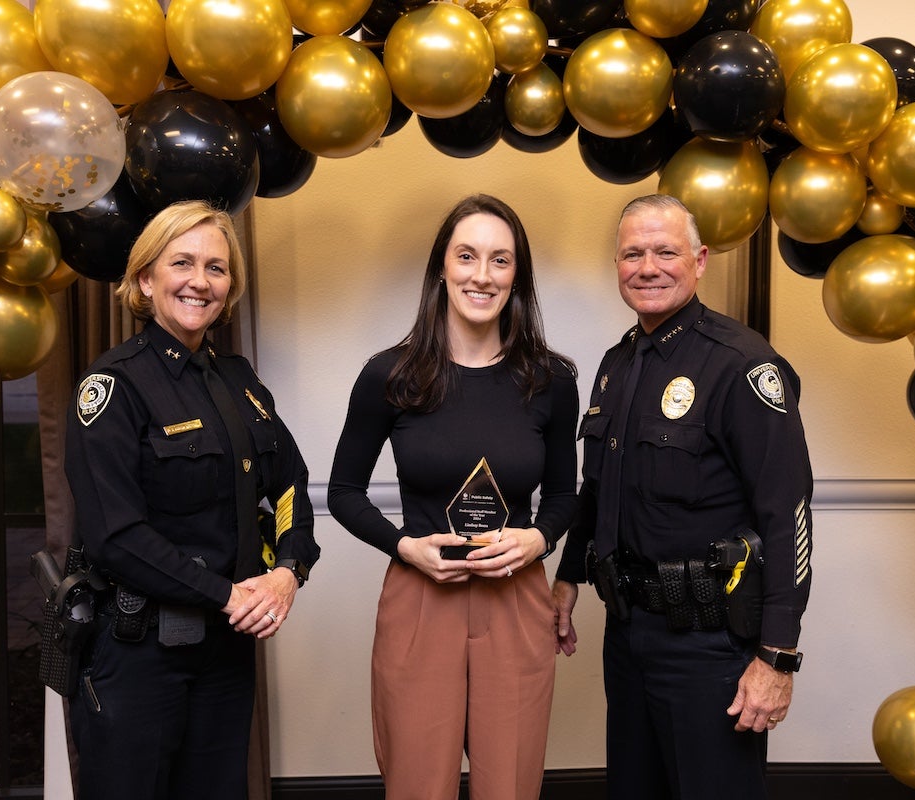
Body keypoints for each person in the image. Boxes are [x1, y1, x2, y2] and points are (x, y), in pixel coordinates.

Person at [551, 194, 813, 799]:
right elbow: (598, 488)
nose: (648, 267)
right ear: (617, 266)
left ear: (699, 261)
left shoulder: (742, 365)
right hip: (630, 634)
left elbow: (788, 515)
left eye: (665, 251)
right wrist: (568, 577)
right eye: (632, 253)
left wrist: (777, 659)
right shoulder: (618, 364)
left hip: (711, 646)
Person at [64, 199, 319, 800]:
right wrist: (229, 595)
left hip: (225, 655)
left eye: (217, 268)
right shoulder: (114, 385)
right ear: (146, 279)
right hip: (138, 653)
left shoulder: (238, 380)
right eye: (182, 263)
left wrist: (287, 571)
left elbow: (289, 485)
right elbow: (117, 536)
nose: (200, 282)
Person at [327, 194, 579, 800]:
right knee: (417, 784)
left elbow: (567, 494)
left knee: (510, 785)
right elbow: (342, 492)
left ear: (517, 275)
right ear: (442, 266)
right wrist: (404, 546)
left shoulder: (551, 380)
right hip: (421, 596)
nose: (482, 275)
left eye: (500, 260)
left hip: (517, 594)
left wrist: (539, 539)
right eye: (467, 256)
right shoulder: (388, 374)